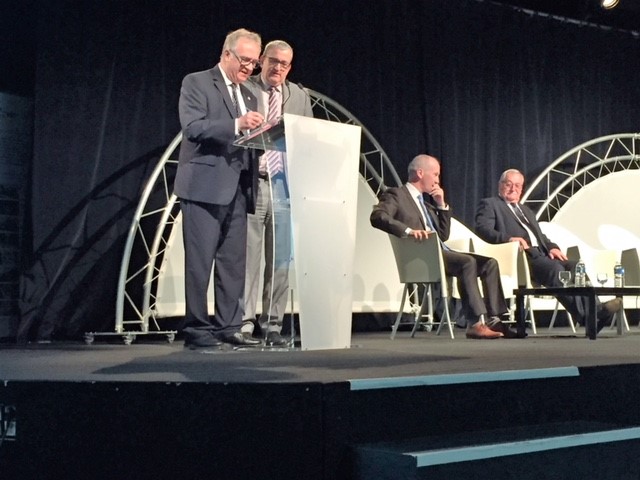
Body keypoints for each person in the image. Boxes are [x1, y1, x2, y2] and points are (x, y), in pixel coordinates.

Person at [174, 28, 265, 348]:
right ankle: (197, 330)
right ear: (227, 54)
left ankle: (229, 327)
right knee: (199, 264)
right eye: (245, 60)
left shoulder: (250, 94)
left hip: (238, 188)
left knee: (233, 263)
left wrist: (267, 136)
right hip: (203, 187)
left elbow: (249, 140)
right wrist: (237, 125)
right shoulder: (197, 82)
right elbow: (193, 127)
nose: (249, 68)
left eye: (254, 63)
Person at [370, 154, 514, 339]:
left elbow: (443, 236)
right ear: (420, 173)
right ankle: (475, 323)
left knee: (489, 263)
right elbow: (378, 216)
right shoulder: (397, 195)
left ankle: (495, 320)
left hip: (440, 253)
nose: (437, 180)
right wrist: (408, 231)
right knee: (467, 262)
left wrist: (441, 205)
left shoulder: (426, 205)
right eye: (435, 174)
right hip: (422, 256)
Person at [474, 168, 621, 331]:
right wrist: (509, 239)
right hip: (521, 257)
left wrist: (552, 247)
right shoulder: (491, 204)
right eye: (509, 184)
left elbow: (540, 236)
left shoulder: (525, 210)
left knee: (575, 267)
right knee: (556, 270)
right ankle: (590, 317)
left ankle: (594, 312)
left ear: (521, 189)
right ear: (500, 185)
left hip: (542, 255)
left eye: (517, 185)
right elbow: (483, 229)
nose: (513, 189)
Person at [240, 40, 314, 347]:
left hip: (284, 185)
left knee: (281, 259)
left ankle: (272, 324)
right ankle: (244, 323)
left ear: (290, 67)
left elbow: (308, 138)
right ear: (262, 61)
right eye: (273, 61)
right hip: (254, 182)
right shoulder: (245, 88)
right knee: (249, 258)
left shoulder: (298, 96)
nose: (278, 68)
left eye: (284, 64)